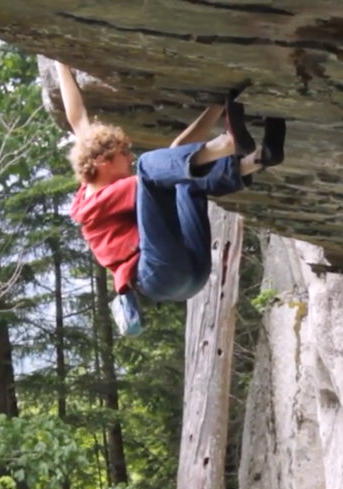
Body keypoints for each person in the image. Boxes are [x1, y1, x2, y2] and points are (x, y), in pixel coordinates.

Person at [54, 61, 286, 335]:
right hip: (157, 273)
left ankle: (258, 158)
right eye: (123, 154)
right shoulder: (106, 197)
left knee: (182, 178)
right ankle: (227, 143)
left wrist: (60, 63)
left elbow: (77, 118)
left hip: (190, 276)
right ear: (103, 161)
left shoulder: (90, 186)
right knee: (153, 167)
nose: (129, 159)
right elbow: (166, 163)